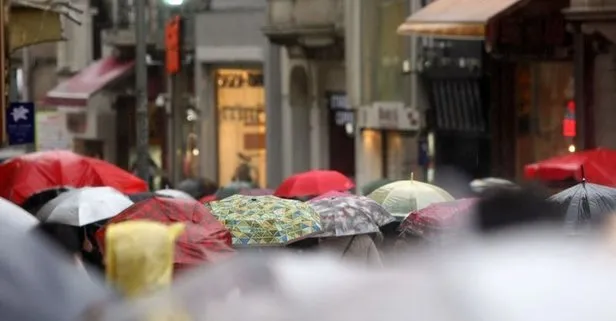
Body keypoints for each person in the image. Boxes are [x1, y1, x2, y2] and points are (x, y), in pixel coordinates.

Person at [318, 234, 383, 267]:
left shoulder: (322, 241)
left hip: (330, 287)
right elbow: (376, 268)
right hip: (358, 286)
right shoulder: (365, 239)